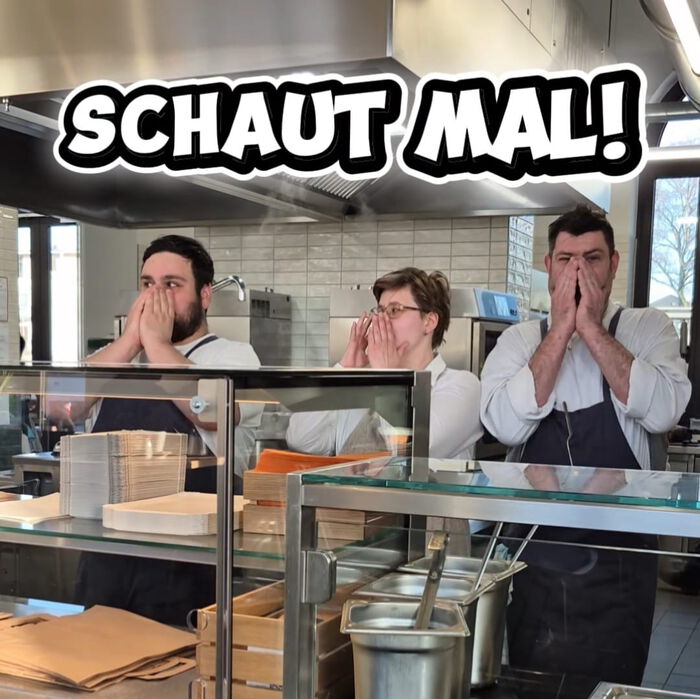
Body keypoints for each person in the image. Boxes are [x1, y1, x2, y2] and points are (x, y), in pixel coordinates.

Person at [480, 205, 691, 688]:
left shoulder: (648, 328)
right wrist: (561, 329)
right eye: (566, 260)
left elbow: (662, 412)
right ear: (548, 267)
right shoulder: (518, 340)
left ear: (613, 265)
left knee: (611, 687)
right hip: (536, 557)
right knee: (530, 683)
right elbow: (505, 426)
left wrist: (590, 327)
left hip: (620, 562)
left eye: (592, 259)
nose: (578, 272)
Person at [75, 234, 261, 624]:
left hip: (186, 565)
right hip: (107, 560)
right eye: (148, 285)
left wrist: (155, 343)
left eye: (172, 285)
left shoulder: (234, 356)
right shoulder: (117, 360)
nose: (156, 297)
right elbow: (59, 405)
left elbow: (211, 412)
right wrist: (130, 341)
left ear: (205, 296)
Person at [286, 267, 482, 459]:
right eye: (380, 311)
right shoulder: (361, 387)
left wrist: (388, 375)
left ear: (429, 322)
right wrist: (344, 368)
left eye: (395, 310)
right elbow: (302, 440)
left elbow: (418, 449)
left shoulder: (462, 387)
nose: (382, 321)